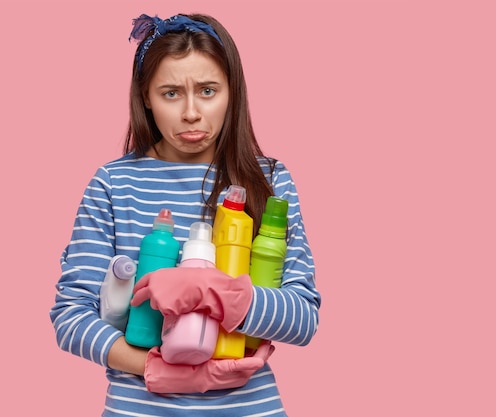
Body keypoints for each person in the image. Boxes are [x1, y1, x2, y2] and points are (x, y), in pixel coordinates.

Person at [49, 13, 321, 416]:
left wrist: (220, 295)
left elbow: (302, 319)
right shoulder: (114, 184)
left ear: (233, 91)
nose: (191, 113)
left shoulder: (268, 181)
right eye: (171, 93)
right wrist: (155, 368)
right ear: (145, 96)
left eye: (208, 91)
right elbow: (71, 318)